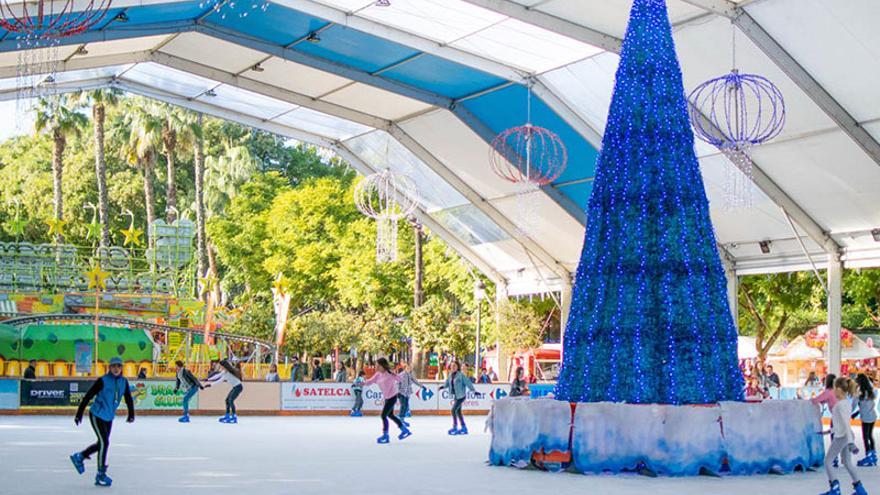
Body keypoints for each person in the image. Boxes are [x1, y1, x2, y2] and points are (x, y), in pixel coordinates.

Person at [69, 357, 134, 487]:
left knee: (102, 444)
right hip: (97, 415)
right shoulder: (103, 381)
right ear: (109, 368)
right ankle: (100, 473)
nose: (116, 369)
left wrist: (131, 413)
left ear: (121, 368)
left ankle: (80, 456)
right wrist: (79, 413)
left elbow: (128, 397)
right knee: (105, 442)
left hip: (109, 417)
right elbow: (88, 396)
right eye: (113, 366)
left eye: (118, 366)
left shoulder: (124, 382)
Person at [819, 377, 868, 495]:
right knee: (847, 462)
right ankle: (860, 489)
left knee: (828, 461)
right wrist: (828, 431)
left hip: (842, 437)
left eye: (835, 388)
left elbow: (846, 424)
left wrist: (850, 443)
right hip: (846, 435)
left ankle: (835, 488)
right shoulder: (846, 403)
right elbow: (841, 424)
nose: (833, 391)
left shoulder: (840, 405)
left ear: (839, 389)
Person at [364, 357, 410, 444]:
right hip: (387, 397)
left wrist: (398, 373)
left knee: (383, 416)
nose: (376, 367)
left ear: (382, 365)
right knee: (391, 415)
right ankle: (404, 430)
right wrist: (363, 383)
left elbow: (400, 379)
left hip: (392, 397)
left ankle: (386, 435)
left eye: (377, 365)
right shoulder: (378, 374)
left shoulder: (389, 374)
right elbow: (370, 381)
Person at [439, 360, 477, 435]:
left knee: (453, 410)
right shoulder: (450, 375)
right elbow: (447, 383)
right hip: (456, 396)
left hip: (461, 396)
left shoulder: (461, 375)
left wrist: (473, 390)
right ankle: (464, 427)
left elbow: (468, 383)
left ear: (457, 367)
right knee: (458, 412)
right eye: (451, 366)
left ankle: (455, 426)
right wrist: (442, 387)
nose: (452, 367)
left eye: (454, 366)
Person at [204, 359, 244, 424]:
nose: (221, 367)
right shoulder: (224, 372)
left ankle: (234, 416)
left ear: (224, 366)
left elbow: (219, 380)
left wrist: (210, 385)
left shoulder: (228, 373)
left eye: (221, 366)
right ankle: (227, 415)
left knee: (230, 400)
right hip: (235, 387)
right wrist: (208, 379)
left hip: (238, 387)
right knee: (227, 400)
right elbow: (217, 376)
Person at [854, 374, 877, 467]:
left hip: (866, 418)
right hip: (872, 416)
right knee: (870, 436)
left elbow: (855, 405)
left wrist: (849, 412)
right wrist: (856, 413)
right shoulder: (871, 391)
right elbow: (867, 406)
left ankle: (868, 455)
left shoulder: (859, 393)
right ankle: (873, 454)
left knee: (865, 437)